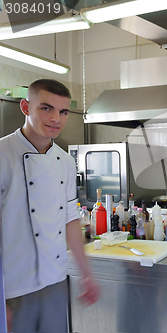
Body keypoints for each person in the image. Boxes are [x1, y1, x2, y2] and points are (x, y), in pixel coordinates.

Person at [0, 79, 101, 332]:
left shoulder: (65, 161)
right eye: (46, 108)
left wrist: (86, 273)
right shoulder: (2, 154)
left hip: (55, 281)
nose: (56, 118)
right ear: (25, 107)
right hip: (12, 287)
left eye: (63, 111)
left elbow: (69, 218)